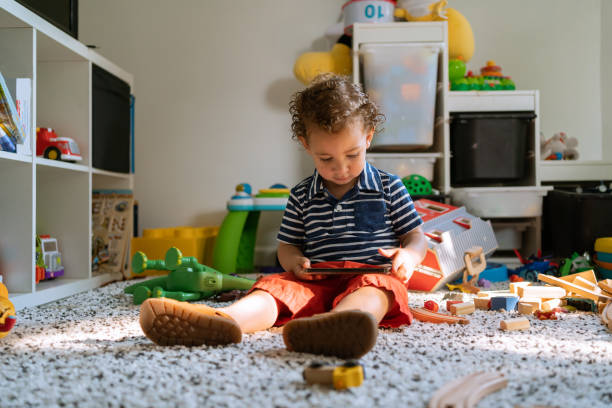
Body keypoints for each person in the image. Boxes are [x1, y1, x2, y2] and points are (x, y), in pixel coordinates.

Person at [139, 74, 427, 359]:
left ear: (368, 137)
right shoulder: (302, 194)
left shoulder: (389, 187)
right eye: (326, 159)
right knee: (274, 287)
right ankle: (224, 320)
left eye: (352, 155)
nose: (341, 168)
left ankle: (343, 323)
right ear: (306, 145)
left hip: (371, 276)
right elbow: (287, 246)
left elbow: (414, 236)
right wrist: (294, 263)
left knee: (378, 291)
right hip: (315, 280)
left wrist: (409, 256)